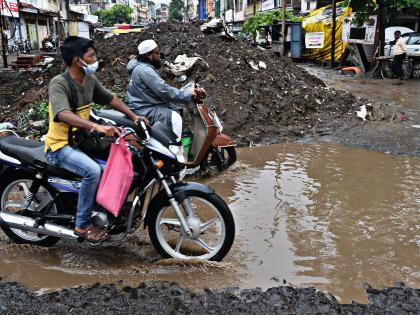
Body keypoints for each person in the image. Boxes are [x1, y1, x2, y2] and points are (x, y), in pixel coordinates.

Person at [44, 36, 146, 242]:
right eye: (91, 56)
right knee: (92, 171)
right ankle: (82, 224)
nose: (95, 59)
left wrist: (134, 117)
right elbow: (63, 113)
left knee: (122, 159)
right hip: (59, 146)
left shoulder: (89, 80)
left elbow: (110, 99)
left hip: (80, 141)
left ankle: (109, 207)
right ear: (77, 60)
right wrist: (97, 126)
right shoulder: (59, 83)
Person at [126, 39, 203, 149]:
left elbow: (160, 88)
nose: (159, 55)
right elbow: (163, 90)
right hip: (145, 108)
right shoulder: (144, 70)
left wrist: (183, 93)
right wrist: (187, 95)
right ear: (148, 54)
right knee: (174, 118)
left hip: (145, 105)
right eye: (157, 52)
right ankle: (174, 154)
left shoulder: (141, 67)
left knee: (176, 109)